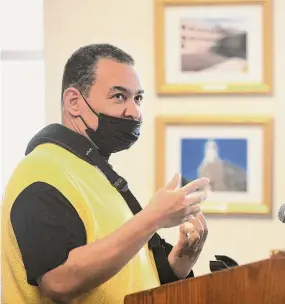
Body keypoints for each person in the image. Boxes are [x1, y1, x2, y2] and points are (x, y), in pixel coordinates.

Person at [1, 43, 210, 303]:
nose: (133, 111)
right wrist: (153, 218)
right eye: (119, 96)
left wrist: (177, 264)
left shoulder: (94, 173)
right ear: (74, 102)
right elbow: (58, 281)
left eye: (138, 98)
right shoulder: (41, 173)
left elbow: (120, 280)